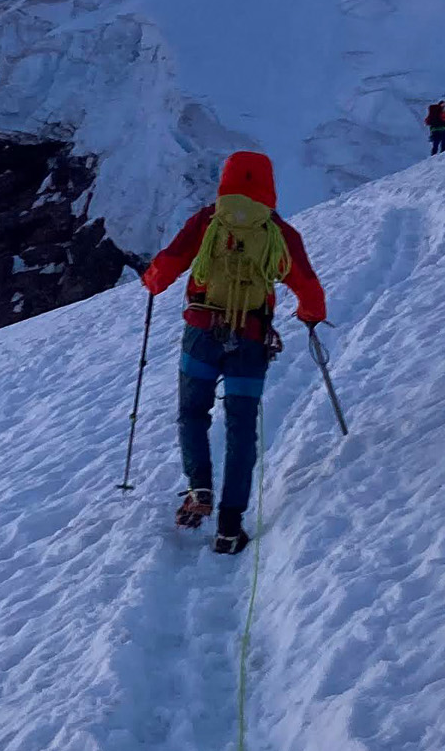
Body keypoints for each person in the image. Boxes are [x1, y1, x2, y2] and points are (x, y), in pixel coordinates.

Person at [140, 150, 328, 555]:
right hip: (250, 337)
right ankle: (229, 525)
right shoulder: (278, 232)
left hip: (202, 333)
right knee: (241, 426)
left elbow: (168, 264)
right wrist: (310, 316)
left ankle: (199, 487)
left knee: (193, 413)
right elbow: (308, 288)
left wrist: (153, 282)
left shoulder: (207, 220)